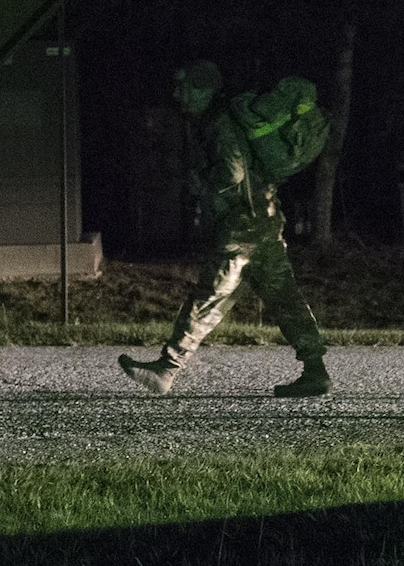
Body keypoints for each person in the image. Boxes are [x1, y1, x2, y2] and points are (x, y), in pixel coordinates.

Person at [118, 60, 331, 398]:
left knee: (210, 296)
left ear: (204, 90)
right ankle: (315, 371)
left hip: (241, 226)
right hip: (264, 218)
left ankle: (166, 369)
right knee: (284, 297)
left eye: (185, 88)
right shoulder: (231, 119)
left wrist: (199, 182)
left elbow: (231, 173)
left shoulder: (220, 123)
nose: (179, 95)